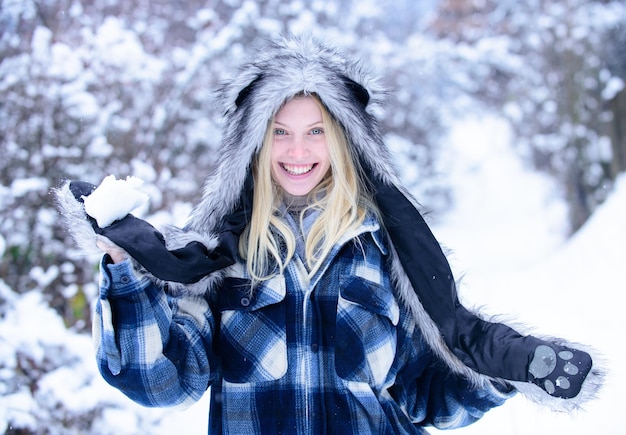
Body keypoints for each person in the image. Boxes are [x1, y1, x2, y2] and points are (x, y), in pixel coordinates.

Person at [55, 37, 603, 434]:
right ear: (253, 146)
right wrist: (124, 273)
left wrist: (507, 372)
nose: (298, 152)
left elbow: (425, 394)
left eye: (316, 131)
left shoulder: (380, 252)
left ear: (343, 142)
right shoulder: (222, 259)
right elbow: (163, 383)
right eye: (281, 133)